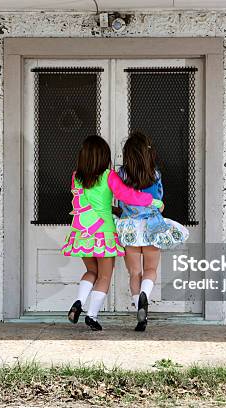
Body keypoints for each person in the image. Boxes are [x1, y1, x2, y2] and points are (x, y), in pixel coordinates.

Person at [61, 135, 163, 331]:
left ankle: (78, 302)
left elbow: (90, 202)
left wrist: (113, 209)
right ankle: (91, 316)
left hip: (81, 233)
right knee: (104, 277)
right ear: (104, 156)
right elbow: (127, 195)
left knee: (91, 272)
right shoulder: (109, 176)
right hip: (103, 234)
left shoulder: (76, 176)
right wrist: (154, 202)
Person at [115, 131, 189, 331]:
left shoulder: (120, 174)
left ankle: (139, 311)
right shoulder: (155, 174)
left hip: (129, 227)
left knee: (134, 273)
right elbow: (159, 200)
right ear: (148, 153)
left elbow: (120, 199)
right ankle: (144, 297)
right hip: (152, 227)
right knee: (150, 270)